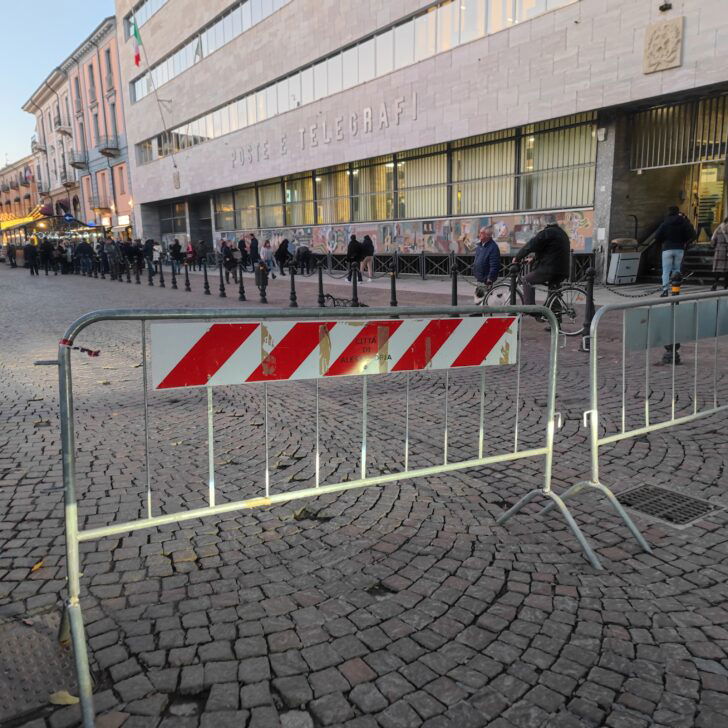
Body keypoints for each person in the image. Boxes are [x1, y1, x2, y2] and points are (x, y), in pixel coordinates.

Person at [514, 216, 570, 307]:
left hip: (550, 268)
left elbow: (531, 245)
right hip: (562, 269)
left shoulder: (547, 232)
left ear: (546, 223)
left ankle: (530, 309)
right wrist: (534, 258)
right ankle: (555, 315)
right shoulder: (562, 233)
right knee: (554, 292)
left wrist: (517, 257)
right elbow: (551, 251)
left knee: (527, 280)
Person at [654, 206, 696, 296]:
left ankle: (665, 291)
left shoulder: (665, 223)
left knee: (665, 271)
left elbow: (656, 236)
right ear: (678, 212)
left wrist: (664, 240)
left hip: (667, 248)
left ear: (669, 212)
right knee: (676, 269)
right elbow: (692, 234)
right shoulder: (684, 222)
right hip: (679, 248)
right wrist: (685, 241)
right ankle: (675, 290)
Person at [710, 215, 728, 291]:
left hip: (719, 250)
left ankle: (714, 284)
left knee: (718, 269)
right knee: (727, 269)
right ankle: (726, 286)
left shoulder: (718, 228)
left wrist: (714, 246)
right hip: (727, 250)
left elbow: (713, 241)